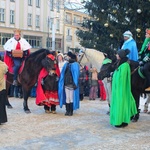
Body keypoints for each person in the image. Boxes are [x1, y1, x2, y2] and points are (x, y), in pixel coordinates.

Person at [110, 49, 137, 128]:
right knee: (119, 104)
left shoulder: (125, 65)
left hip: (122, 89)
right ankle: (120, 120)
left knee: (122, 104)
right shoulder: (121, 64)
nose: (116, 55)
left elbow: (122, 78)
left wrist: (114, 75)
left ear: (121, 55)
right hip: (118, 89)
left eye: (117, 54)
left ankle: (122, 121)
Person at [58, 51, 80, 116]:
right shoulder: (66, 64)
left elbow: (76, 75)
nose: (67, 57)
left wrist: (75, 83)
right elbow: (63, 74)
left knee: (71, 97)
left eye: (68, 56)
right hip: (66, 83)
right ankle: (67, 111)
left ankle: (71, 111)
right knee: (68, 97)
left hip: (72, 84)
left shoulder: (75, 64)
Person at [0, 55, 8, 125]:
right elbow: (6, 70)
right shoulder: (4, 65)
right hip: (2, 87)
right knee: (2, 105)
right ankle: (1, 119)